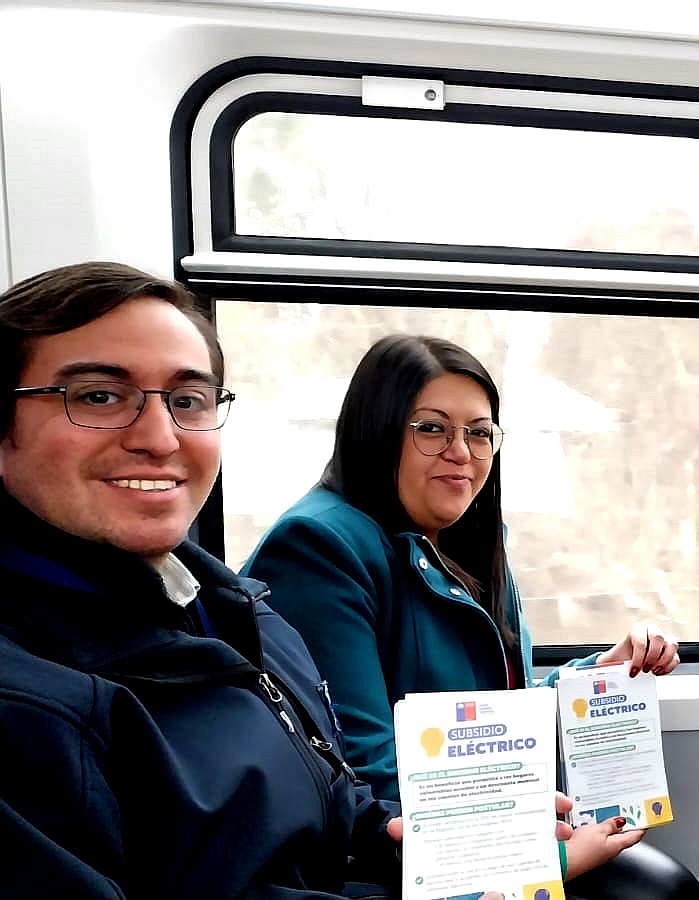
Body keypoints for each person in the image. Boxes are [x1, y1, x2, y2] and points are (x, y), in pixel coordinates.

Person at [241, 334, 699, 899]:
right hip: (388, 851)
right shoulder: (320, 548)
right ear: (378, 431)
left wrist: (599, 675)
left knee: (668, 888)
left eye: (479, 433)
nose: (461, 451)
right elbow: (362, 767)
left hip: (481, 816)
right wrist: (546, 859)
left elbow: (497, 718)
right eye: (432, 429)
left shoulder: (469, 543)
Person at [0, 262, 402, 898]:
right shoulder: (24, 702)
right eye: (99, 397)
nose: (160, 439)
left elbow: (317, 807)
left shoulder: (240, 613)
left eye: (187, 401)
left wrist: (423, 841)